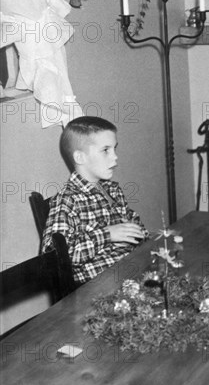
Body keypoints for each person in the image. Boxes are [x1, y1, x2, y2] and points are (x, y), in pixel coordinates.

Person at [42, 116, 148, 285]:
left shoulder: (112, 189)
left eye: (114, 149)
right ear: (80, 157)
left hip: (131, 272)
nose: (115, 157)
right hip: (97, 289)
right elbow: (55, 258)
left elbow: (134, 228)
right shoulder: (67, 201)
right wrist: (108, 234)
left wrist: (141, 236)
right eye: (106, 150)